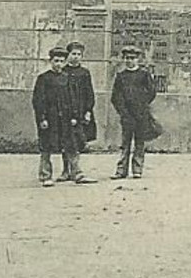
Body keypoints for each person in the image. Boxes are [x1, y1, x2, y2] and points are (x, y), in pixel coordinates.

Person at [110, 45, 161, 179]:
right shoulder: (121, 76)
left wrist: (141, 104)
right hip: (126, 116)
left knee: (139, 142)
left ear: (138, 59)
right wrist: (123, 111)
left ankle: (137, 169)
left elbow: (151, 92)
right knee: (125, 143)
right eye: (127, 58)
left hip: (141, 114)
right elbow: (115, 96)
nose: (129, 61)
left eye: (132, 58)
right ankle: (121, 170)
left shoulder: (144, 75)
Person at [31, 48, 79, 186]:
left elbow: (73, 99)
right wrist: (42, 118)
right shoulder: (43, 78)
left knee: (70, 144)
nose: (58, 64)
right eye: (56, 61)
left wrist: (74, 116)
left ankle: (75, 172)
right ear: (50, 61)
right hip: (50, 118)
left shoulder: (68, 78)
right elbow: (38, 100)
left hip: (65, 118)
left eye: (61, 61)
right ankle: (46, 175)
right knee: (46, 146)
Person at [62, 40, 98, 183]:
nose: (76, 57)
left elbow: (89, 93)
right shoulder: (63, 71)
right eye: (73, 54)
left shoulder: (84, 73)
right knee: (65, 142)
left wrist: (88, 110)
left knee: (77, 141)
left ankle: (74, 169)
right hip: (66, 112)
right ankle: (66, 171)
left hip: (81, 111)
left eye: (79, 54)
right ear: (68, 55)